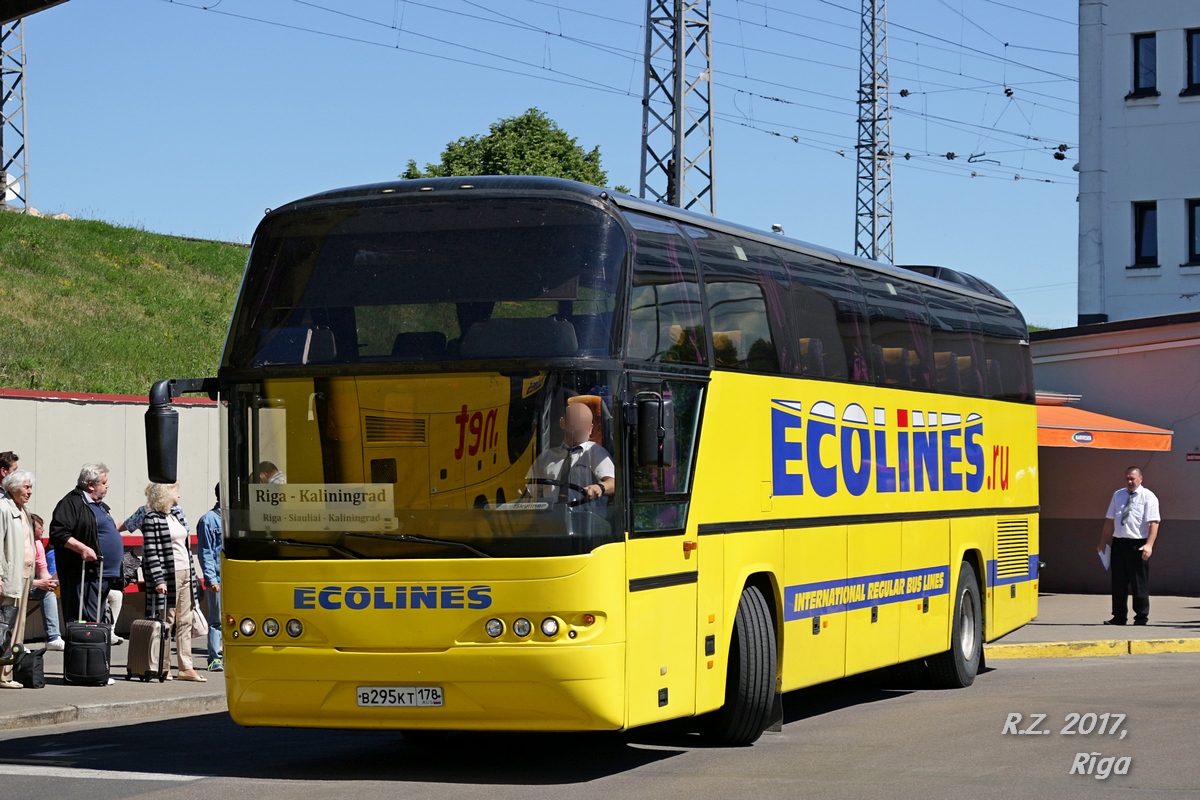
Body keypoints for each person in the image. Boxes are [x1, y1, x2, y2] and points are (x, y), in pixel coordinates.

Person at [141, 482, 206, 682]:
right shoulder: (151, 519)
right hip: (169, 574)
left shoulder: (176, 515)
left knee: (185, 620)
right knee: (167, 622)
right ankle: (164, 666)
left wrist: (193, 574)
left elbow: (184, 546)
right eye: (176, 490)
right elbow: (150, 551)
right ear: (166, 494)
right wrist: (158, 579)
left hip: (186, 571)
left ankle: (186, 667)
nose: (179, 494)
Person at [49, 463, 122, 630]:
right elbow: (58, 533)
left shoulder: (99, 506)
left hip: (104, 573)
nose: (107, 486)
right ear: (91, 484)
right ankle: (84, 653)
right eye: (104, 482)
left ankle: (94, 653)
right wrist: (82, 548)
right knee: (86, 621)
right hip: (85, 574)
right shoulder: (71, 503)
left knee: (96, 618)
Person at [1097, 466, 1161, 626]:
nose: (1129, 481)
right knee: (1118, 582)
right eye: (1127, 478)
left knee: (1138, 582)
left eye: (1132, 478)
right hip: (1119, 543)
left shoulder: (1148, 497)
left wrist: (1149, 545)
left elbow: (1154, 522)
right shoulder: (1118, 495)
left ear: (1141, 479)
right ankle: (1119, 616)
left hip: (1138, 544)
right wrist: (1103, 542)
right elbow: (1110, 520)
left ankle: (1141, 617)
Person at [525, 403, 614, 508]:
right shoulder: (546, 457)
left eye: (585, 423)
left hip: (586, 521)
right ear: (563, 423)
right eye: (576, 421)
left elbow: (613, 483)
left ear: (591, 428)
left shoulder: (595, 451)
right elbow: (529, 493)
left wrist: (600, 487)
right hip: (550, 519)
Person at [0, 470, 36, 689]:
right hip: (10, 578)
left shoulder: (24, 510)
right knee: (5, 625)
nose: (29, 492)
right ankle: (3, 675)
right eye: (26, 487)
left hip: (24, 577)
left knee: (17, 627)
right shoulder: (3, 508)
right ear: (12, 488)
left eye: (30, 487)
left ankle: (8, 672)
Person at [196, 484, 223, 671]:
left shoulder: (239, 519)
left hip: (237, 576)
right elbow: (205, 552)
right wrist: (211, 579)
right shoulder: (208, 520)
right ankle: (214, 658)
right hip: (219, 578)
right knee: (217, 620)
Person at [29, 513, 64, 651]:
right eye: (40, 527)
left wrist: (53, 581)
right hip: (12, 585)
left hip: (29, 585)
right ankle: (13, 640)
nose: (43, 530)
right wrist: (38, 583)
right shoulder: (18, 545)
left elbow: (43, 573)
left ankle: (53, 638)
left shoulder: (38, 544)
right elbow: (13, 578)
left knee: (48, 592)